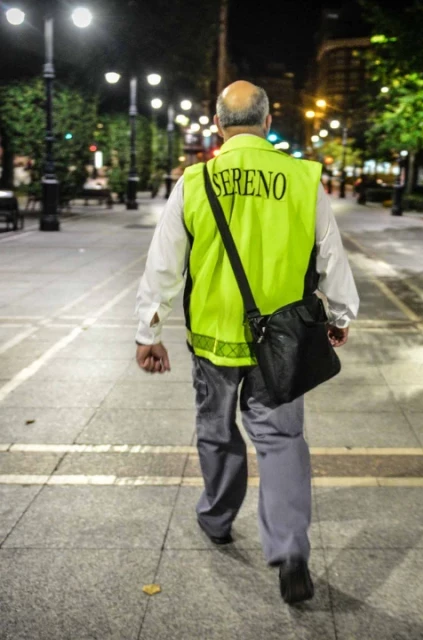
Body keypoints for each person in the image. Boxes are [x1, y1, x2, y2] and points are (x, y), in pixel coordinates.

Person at [134, 81, 359, 604]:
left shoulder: (197, 179)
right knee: (281, 441)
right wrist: (342, 314)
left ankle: (216, 517)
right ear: (266, 120)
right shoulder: (304, 179)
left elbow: (164, 263)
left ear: (218, 124)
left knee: (215, 432)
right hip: (281, 341)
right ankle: (289, 553)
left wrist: (149, 331)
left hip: (214, 338)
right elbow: (331, 255)